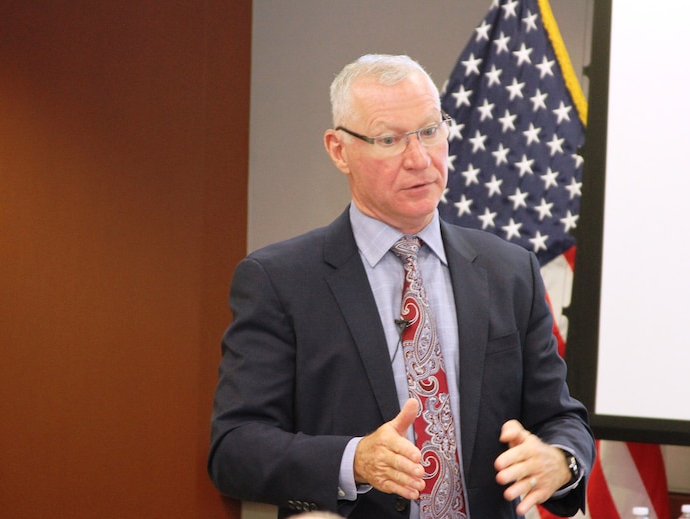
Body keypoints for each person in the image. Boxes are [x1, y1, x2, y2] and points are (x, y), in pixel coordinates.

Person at [208, 54, 595, 519]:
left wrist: (561, 461)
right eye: (389, 139)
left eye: (431, 131)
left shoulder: (510, 271)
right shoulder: (279, 281)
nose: (419, 159)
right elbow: (235, 448)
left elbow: (559, 416)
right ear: (338, 150)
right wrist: (354, 460)